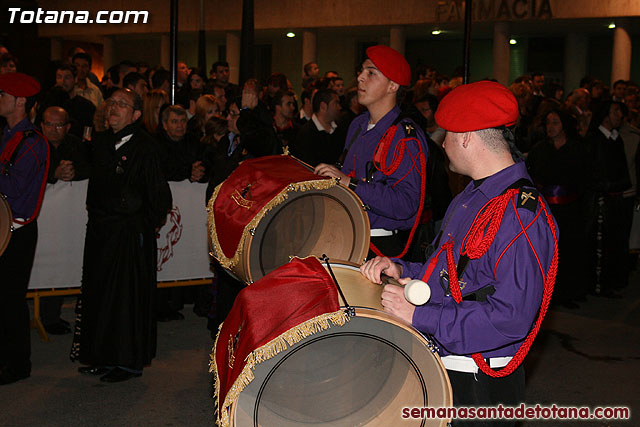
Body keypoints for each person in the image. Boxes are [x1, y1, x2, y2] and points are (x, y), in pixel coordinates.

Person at [359, 81, 558, 426]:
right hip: (450, 362)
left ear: (467, 137)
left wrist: (420, 316)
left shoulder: (520, 213)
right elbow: (452, 274)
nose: (441, 142)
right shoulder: (473, 196)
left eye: (446, 134)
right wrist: (402, 269)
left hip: (479, 380)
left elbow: (511, 317)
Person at [72, 88, 172, 383]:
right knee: (99, 294)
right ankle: (100, 355)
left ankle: (127, 361)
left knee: (125, 298)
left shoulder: (146, 147)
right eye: (111, 102)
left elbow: (159, 197)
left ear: (136, 114)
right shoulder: (100, 143)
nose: (113, 108)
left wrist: (143, 225)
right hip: (100, 232)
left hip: (129, 235)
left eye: (122, 104)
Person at [315, 45, 429, 259]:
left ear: (393, 86)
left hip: (380, 247)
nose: (360, 78)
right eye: (361, 71)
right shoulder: (357, 124)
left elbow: (406, 204)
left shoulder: (404, 136)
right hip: (347, 235)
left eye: (371, 73)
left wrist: (350, 183)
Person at [0, 73, 49, 385]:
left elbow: (16, 189)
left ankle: (17, 364)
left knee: (10, 298)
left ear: (20, 102)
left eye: (2, 94)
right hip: (6, 227)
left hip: (16, 229)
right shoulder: (8, 135)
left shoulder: (32, 141)